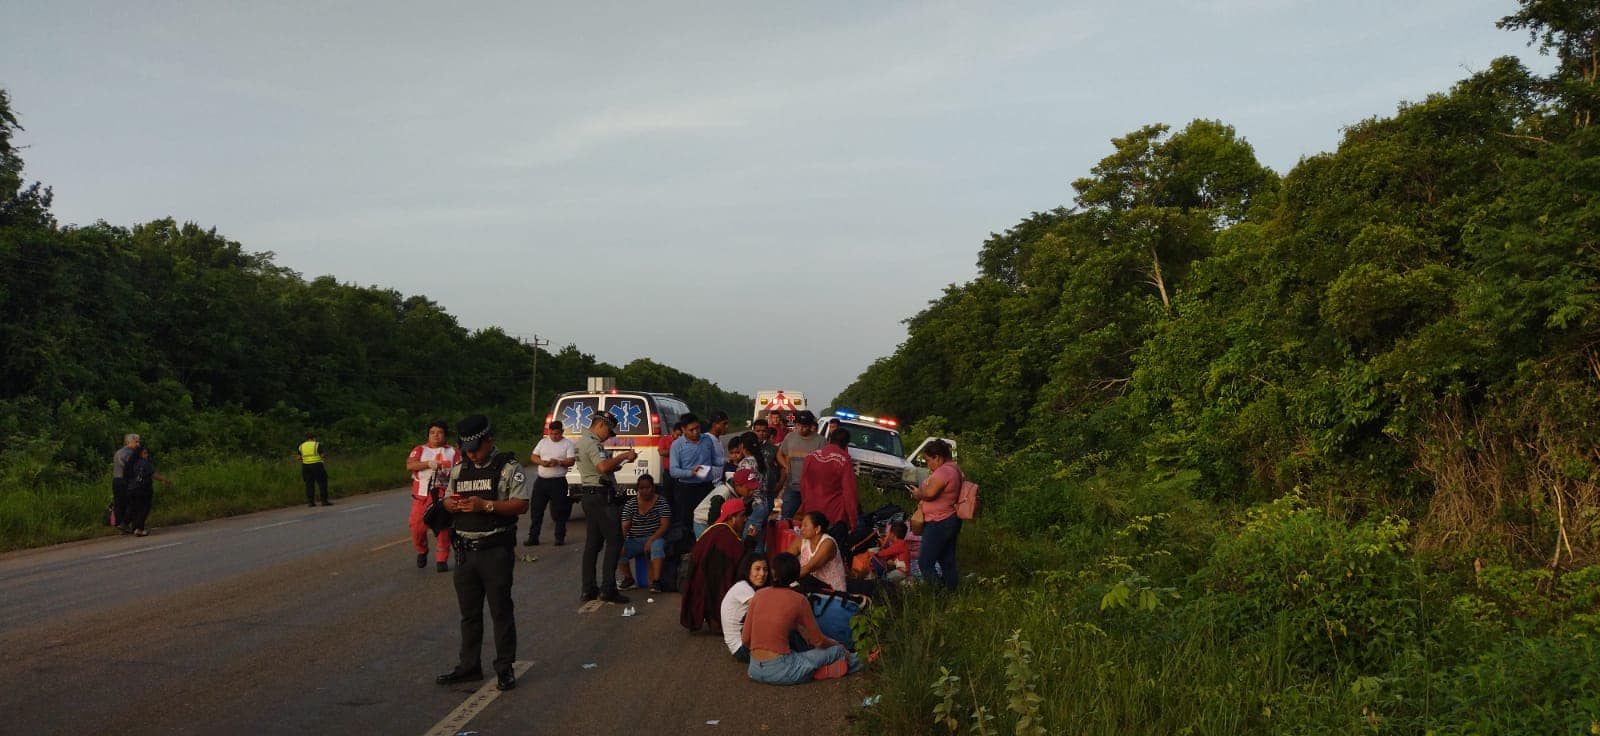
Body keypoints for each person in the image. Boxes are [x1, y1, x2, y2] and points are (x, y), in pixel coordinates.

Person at [435, 414, 532, 692]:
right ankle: (468, 667)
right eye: (467, 449)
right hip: (465, 551)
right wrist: (450, 505)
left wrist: (485, 506)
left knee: (500, 610)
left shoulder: (508, 468)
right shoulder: (459, 468)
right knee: (469, 614)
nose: (472, 454)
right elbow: (447, 498)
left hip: (495, 550)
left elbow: (521, 504)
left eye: (476, 448)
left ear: (490, 440)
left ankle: (504, 668)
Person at [742, 552, 861, 685]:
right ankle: (864, 660)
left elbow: (745, 639)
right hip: (782, 670)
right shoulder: (799, 600)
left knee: (800, 654)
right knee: (836, 651)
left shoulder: (758, 595)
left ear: (773, 572)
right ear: (795, 575)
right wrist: (838, 644)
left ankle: (818, 670)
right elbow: (819, 641)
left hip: (754, 669)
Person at [576, 412, 639, 604]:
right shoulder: (593, 443)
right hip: (601, 496)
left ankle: (588, 589)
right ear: (601, 425)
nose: (609, 436)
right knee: (615, 541)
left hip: (589, 495)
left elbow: (602, 467)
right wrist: (622, 456)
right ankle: (608, 588)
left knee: (593, 544)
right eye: (609, 432)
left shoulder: (582, 441)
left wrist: (617, 463)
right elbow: (603, 467)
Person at [681, 498, 749, 633]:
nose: (745, 519)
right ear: (732, 517)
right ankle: (716, 618)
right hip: (710, 583)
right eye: (742, 516)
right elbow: (733, 568)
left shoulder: (718, 530)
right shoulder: (725, 536)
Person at [405, 421, 458, 571]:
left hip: (443, 495)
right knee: (417, 529)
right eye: (432, 432)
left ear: (445, 435)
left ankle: (442, 560)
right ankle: (422, 550)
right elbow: (410, 465)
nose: (436, 435)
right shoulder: (420, 450)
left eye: (439, 432)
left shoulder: (453, 452)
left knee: (443, 527)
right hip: (421, 496)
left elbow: (460, 469)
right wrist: (428, 464)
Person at [911, 439, 963, 591]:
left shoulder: (944, 471)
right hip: (950, 519)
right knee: (947, 561)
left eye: (929, 460)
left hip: (939, 521)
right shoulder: (955, 469)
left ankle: (937, 592)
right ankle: (951, 591)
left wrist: (917, 494)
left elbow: (930, 493)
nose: (928, 465)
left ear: (938, 457)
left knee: (925, 562)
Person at [527, 420, 578, 547]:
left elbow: (571, 461)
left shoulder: (567, 444)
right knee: (536, 510)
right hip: (542, 480)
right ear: (549, 432)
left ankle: (559, 537)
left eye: (557, 434)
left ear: (562, 432)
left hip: (558, 481)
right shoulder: (543, 442)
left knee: (559, 511)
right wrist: (541, 462)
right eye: (552, 434)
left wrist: (559, 462)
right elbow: (533, 456)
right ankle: (533, 537)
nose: (554, 436)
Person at [798, 428, 860, 532]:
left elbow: (803, 485)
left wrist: (805, 504)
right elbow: (849, 492)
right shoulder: (844, 459)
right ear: (846, 444)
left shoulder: (812, 456)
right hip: (833, 515)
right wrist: (853, 520)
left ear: (830, 439)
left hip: (811, 511)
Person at [668, 412, 720, 535]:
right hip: (687, 489)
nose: (696, 432)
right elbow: (673, 471)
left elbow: (714, 460)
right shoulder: (677, 445)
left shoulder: (706, 439)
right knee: (688, 521)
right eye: (691, 430)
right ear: (683, 430)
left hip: (706, 486)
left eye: (697, 428)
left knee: (709, 517)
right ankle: (690, 549)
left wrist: (728, 460)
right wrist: (690, 473)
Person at [618, 474, 671, 593]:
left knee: (657, 547)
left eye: (648, 488)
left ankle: (656, 582)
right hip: (635, 539)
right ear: (638, 489)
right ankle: (628, 579)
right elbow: (625, 526)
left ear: (653, 487)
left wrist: (651, 540)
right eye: (642, 488)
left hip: (655, 537)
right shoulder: (631, 504)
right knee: (617, 550)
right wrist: (621, 543)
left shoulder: (661, 502)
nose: (645, 491)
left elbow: (665, 525)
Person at [720, 554, 769, 663]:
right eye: (757, 569)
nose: (762, 574)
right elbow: (767, 610)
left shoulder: (746, 587)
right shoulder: (743, 587)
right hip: (741, 649)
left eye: (765, 570)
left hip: (741, 645)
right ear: (748, 570)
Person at [776, 411, 825, 520]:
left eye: (804, 426)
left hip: (812, 489)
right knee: (786, 517)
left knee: (812, 519)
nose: (801, 429)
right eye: (798, 425)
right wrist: (785, 466)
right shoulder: (790, 437)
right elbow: (779, 454)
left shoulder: (820, 441)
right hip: (792, 486)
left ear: (811, 426)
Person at [693, 467, 761, 538]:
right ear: (737, 485)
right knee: (708, 544)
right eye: (749, 489)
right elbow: (713, 521)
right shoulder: (723, 494)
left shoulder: (743, 494)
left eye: (753, 488)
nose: (752, 491)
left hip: (720, 521)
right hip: (703, 521)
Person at [790, 511, 847, 592]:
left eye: (805, 526)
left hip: (832, 591)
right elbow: (785, 559)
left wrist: (785, 577)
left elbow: (808, 568)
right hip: (812, 585)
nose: (801, 529)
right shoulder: (801, 540)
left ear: (817, 529)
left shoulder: (828, 543)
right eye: (801, 525)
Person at [122, 443, 170, 537]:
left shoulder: (131, 463)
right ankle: (139, 529)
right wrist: (164, 480)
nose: (147, 455)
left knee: (135, 509)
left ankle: (134, 527)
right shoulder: (144, 463)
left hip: (131, 490)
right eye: (145, 453)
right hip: (143, 490)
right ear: (140, 454)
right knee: (144, 509)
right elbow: (153, 474)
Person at [110, 433, 140, 533]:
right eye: (136, 441)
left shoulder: (119, 452)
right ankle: (125, 523)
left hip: (117, 480)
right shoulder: (129, 453)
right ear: (129, 442)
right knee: (131, 502)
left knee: (119, 503)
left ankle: (121, 525)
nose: (138, 444)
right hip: (125, 480)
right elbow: (132, 467)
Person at [297, 432, 331, 507]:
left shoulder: (301, 446)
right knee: (322, 482)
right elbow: (322, 455)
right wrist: (324, 456)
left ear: (306, 438)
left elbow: (298, 458)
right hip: (317, 465)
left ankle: (311, 502)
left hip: (306, 466)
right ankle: (324, 501)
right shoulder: (317, 444)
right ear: (313, 438)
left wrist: (306, 459)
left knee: (309, 484)